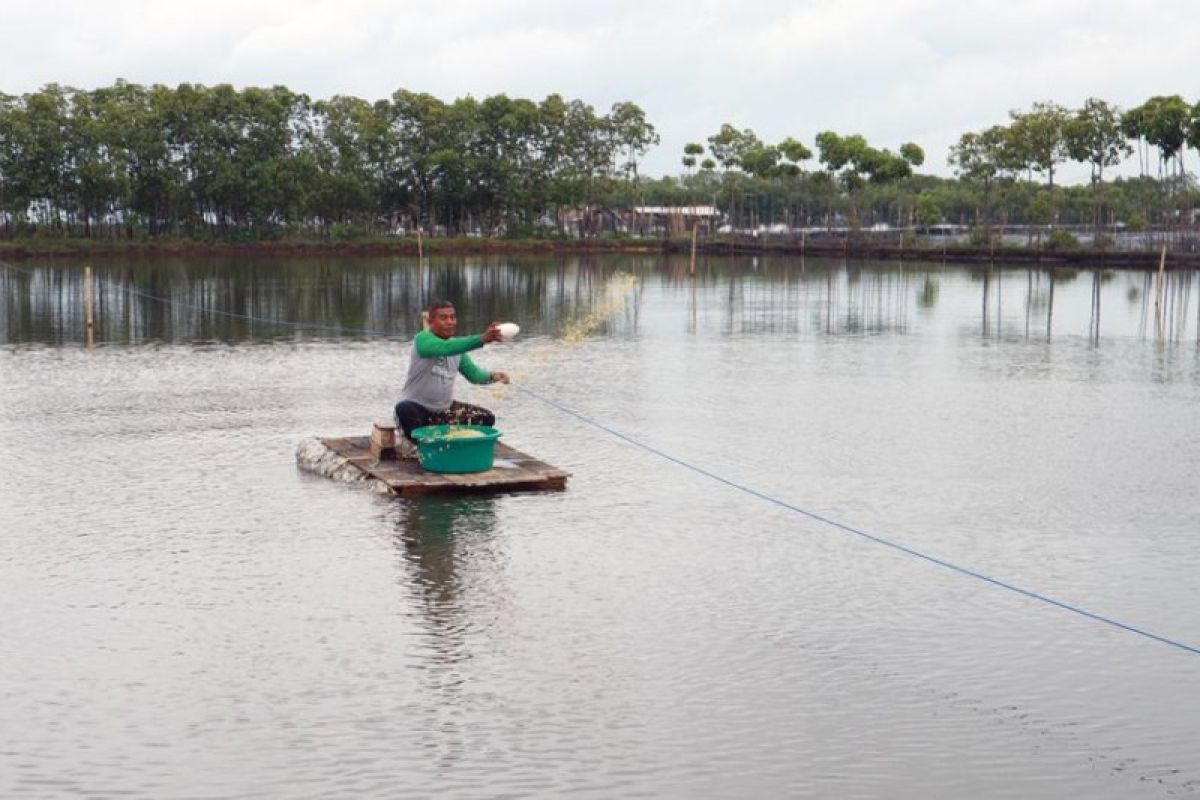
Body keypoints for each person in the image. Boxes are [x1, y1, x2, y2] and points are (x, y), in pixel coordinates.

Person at [394, 300, 510, 444]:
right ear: (430, 322)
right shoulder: (422, 339)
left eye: (453, 317)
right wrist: (481, 339)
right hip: (417, 408)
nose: (450, 322)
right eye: (443, 318)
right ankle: (415, 443)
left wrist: (493, 376)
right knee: (404, 409)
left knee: (486, 418)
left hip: (443, 411)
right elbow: (445, 348)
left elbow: (474, 375)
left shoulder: (457, 349)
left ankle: (443, 438)